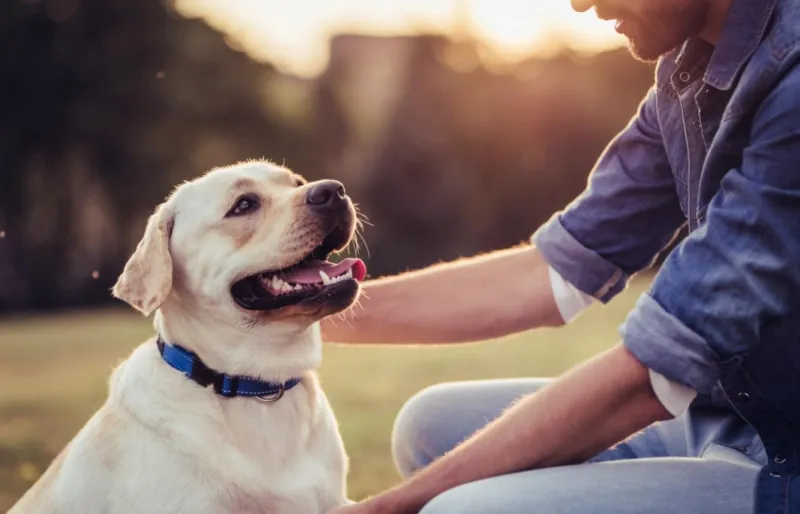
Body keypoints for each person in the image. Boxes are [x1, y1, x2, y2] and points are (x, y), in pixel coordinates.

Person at [324, 0, 800, 512]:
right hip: (721, 418)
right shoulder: (687, 70)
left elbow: (656, 371)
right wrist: (308, 311)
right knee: (427, 424)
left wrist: (391, 506)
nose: (579, 3)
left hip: (784, 456)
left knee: (456, 510)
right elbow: (556, 268)